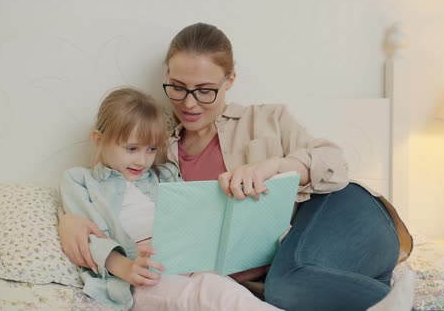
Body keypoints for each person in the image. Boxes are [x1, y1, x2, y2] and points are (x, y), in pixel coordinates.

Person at [59, 23, 414, 311]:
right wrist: (69, 220)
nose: (190, 103)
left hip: (341, 213)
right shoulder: (158, 154)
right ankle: (382, 290)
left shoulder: (265, 119)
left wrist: (275, 167)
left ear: (230, 81)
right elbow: (114, 190)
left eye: (205, 90)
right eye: (178, 88)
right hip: (295, 269)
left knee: (287, 286)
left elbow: (336, 165)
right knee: (287, 288)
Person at [59, 88, 281, 311]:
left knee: (227, 290)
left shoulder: (164, 174)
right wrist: (125, 267)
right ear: (99, 140)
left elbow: (194, 214)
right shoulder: (80, 181)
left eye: (151, 149)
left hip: (187, 262)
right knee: (208, 295)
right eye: (132, 148)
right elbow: (88, 240)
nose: (142, 160)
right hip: (139, 276)